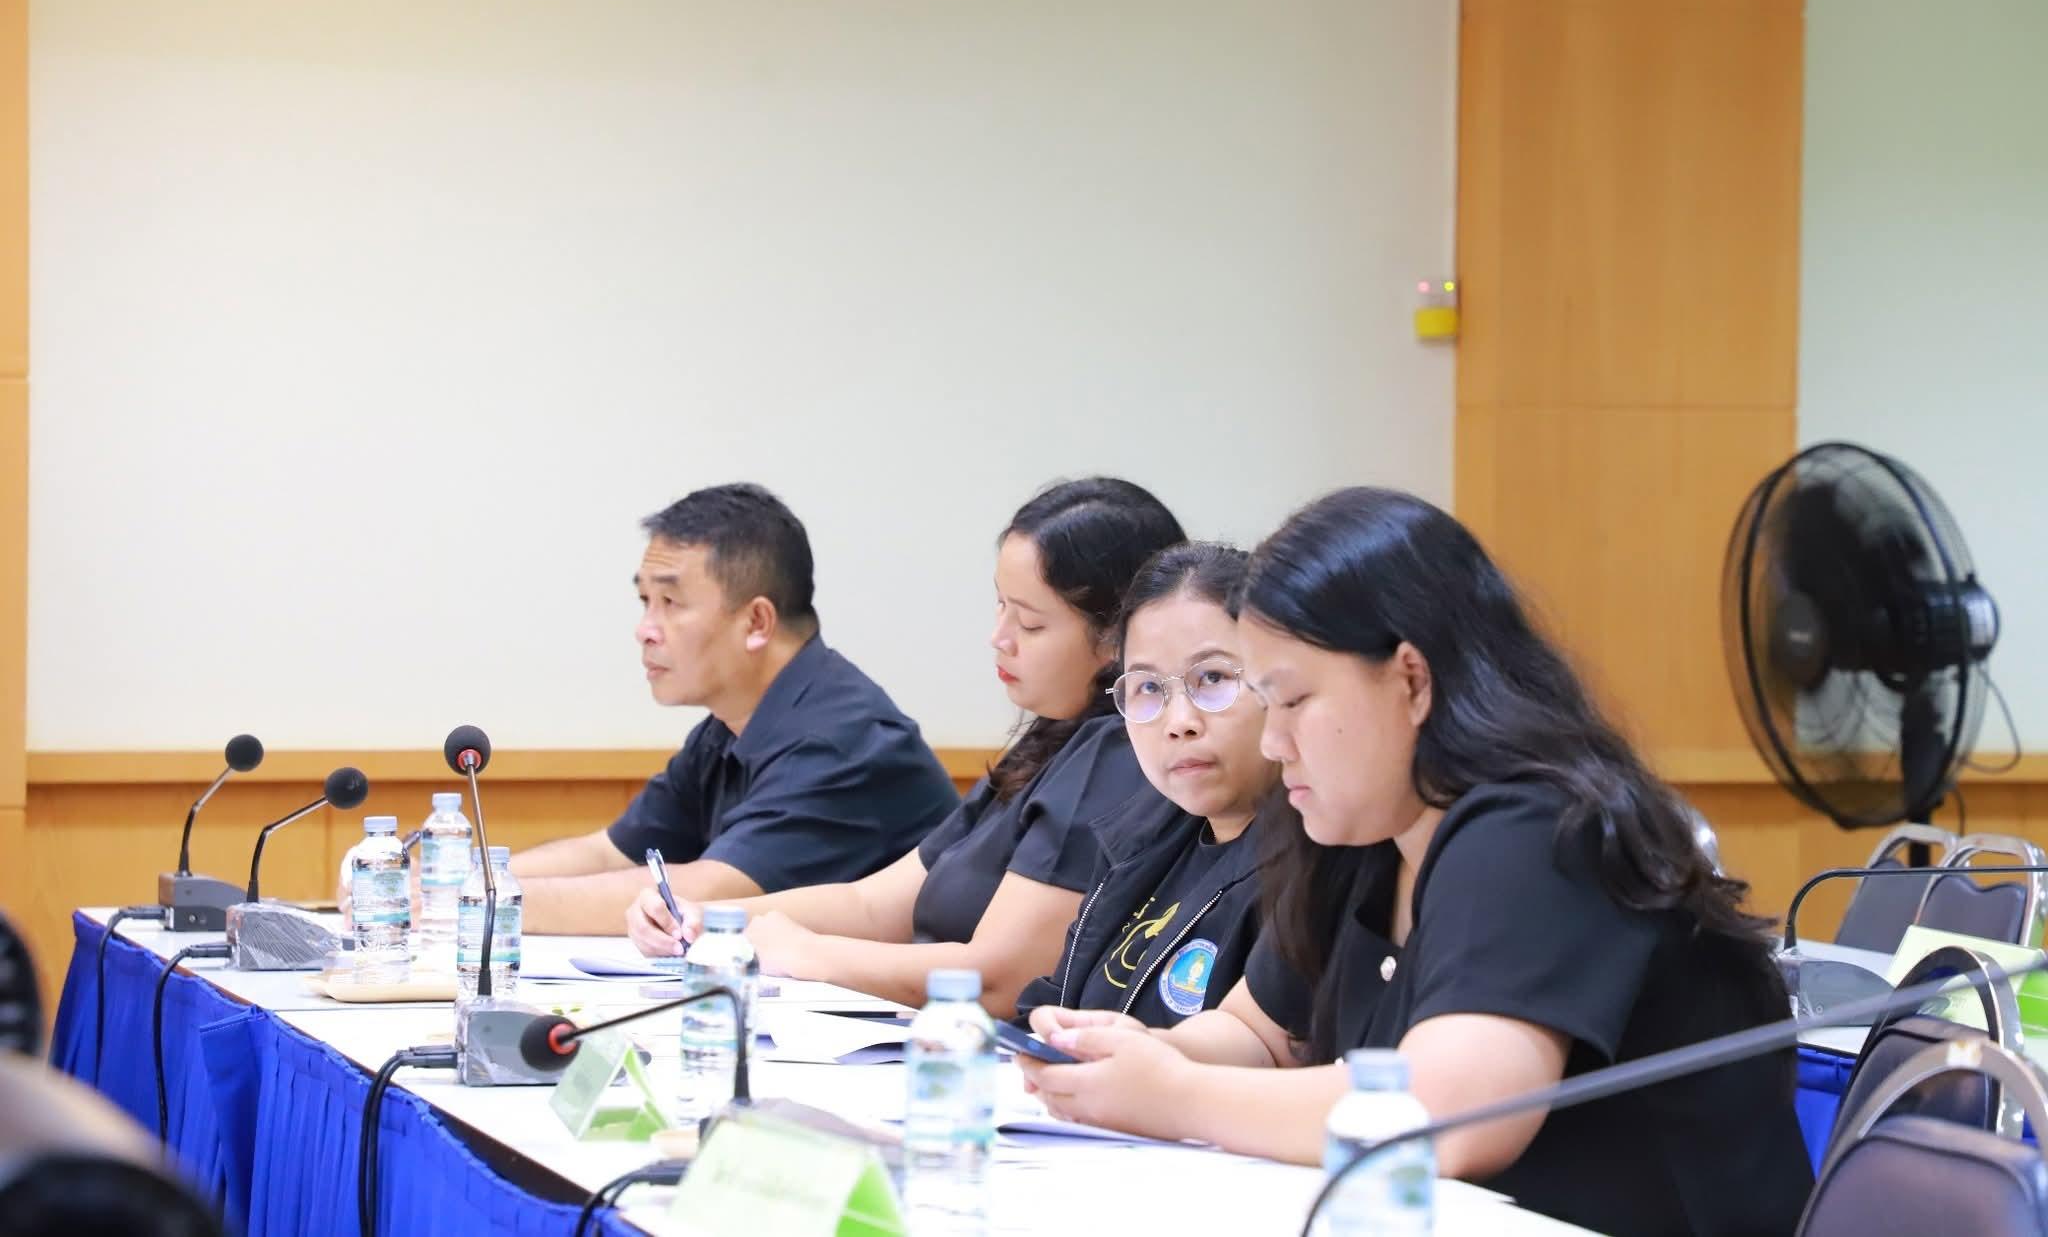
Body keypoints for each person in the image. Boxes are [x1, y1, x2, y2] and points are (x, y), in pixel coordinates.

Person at [1020, 488, 1813, 1237]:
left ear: (1410, 678)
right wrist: (1131, 1053)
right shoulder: (1361, 829)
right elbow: (1260, 1032)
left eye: (1292, 700)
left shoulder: (1543, 825)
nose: (1273, 739)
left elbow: (1446, 1117)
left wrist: (1177, 1095)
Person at [628, 477, 1183, 1015]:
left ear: (1118, 638)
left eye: (1031, 624)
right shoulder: (1050, 737)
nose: (999, 637)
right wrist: (711, 919)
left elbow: (1000, 979)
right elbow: (874, 904)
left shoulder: (1116, 752)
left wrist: (810, 954)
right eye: (1000, 606)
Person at [509, 483, 960, 932]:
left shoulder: (843, 741)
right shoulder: (727, 729)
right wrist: (481, 882)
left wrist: (493, 903)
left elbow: (708, 893)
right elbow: (611, 853)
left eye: (670, 603)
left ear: (757, 622)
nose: (644, 630)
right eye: (645, 602)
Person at [1015, 542, 1277, 1029]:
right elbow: (1059, 999)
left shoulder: (1314, 863)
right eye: (1149, 688)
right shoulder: (1139, 836)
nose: (1179, 722)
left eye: (1212, 677)